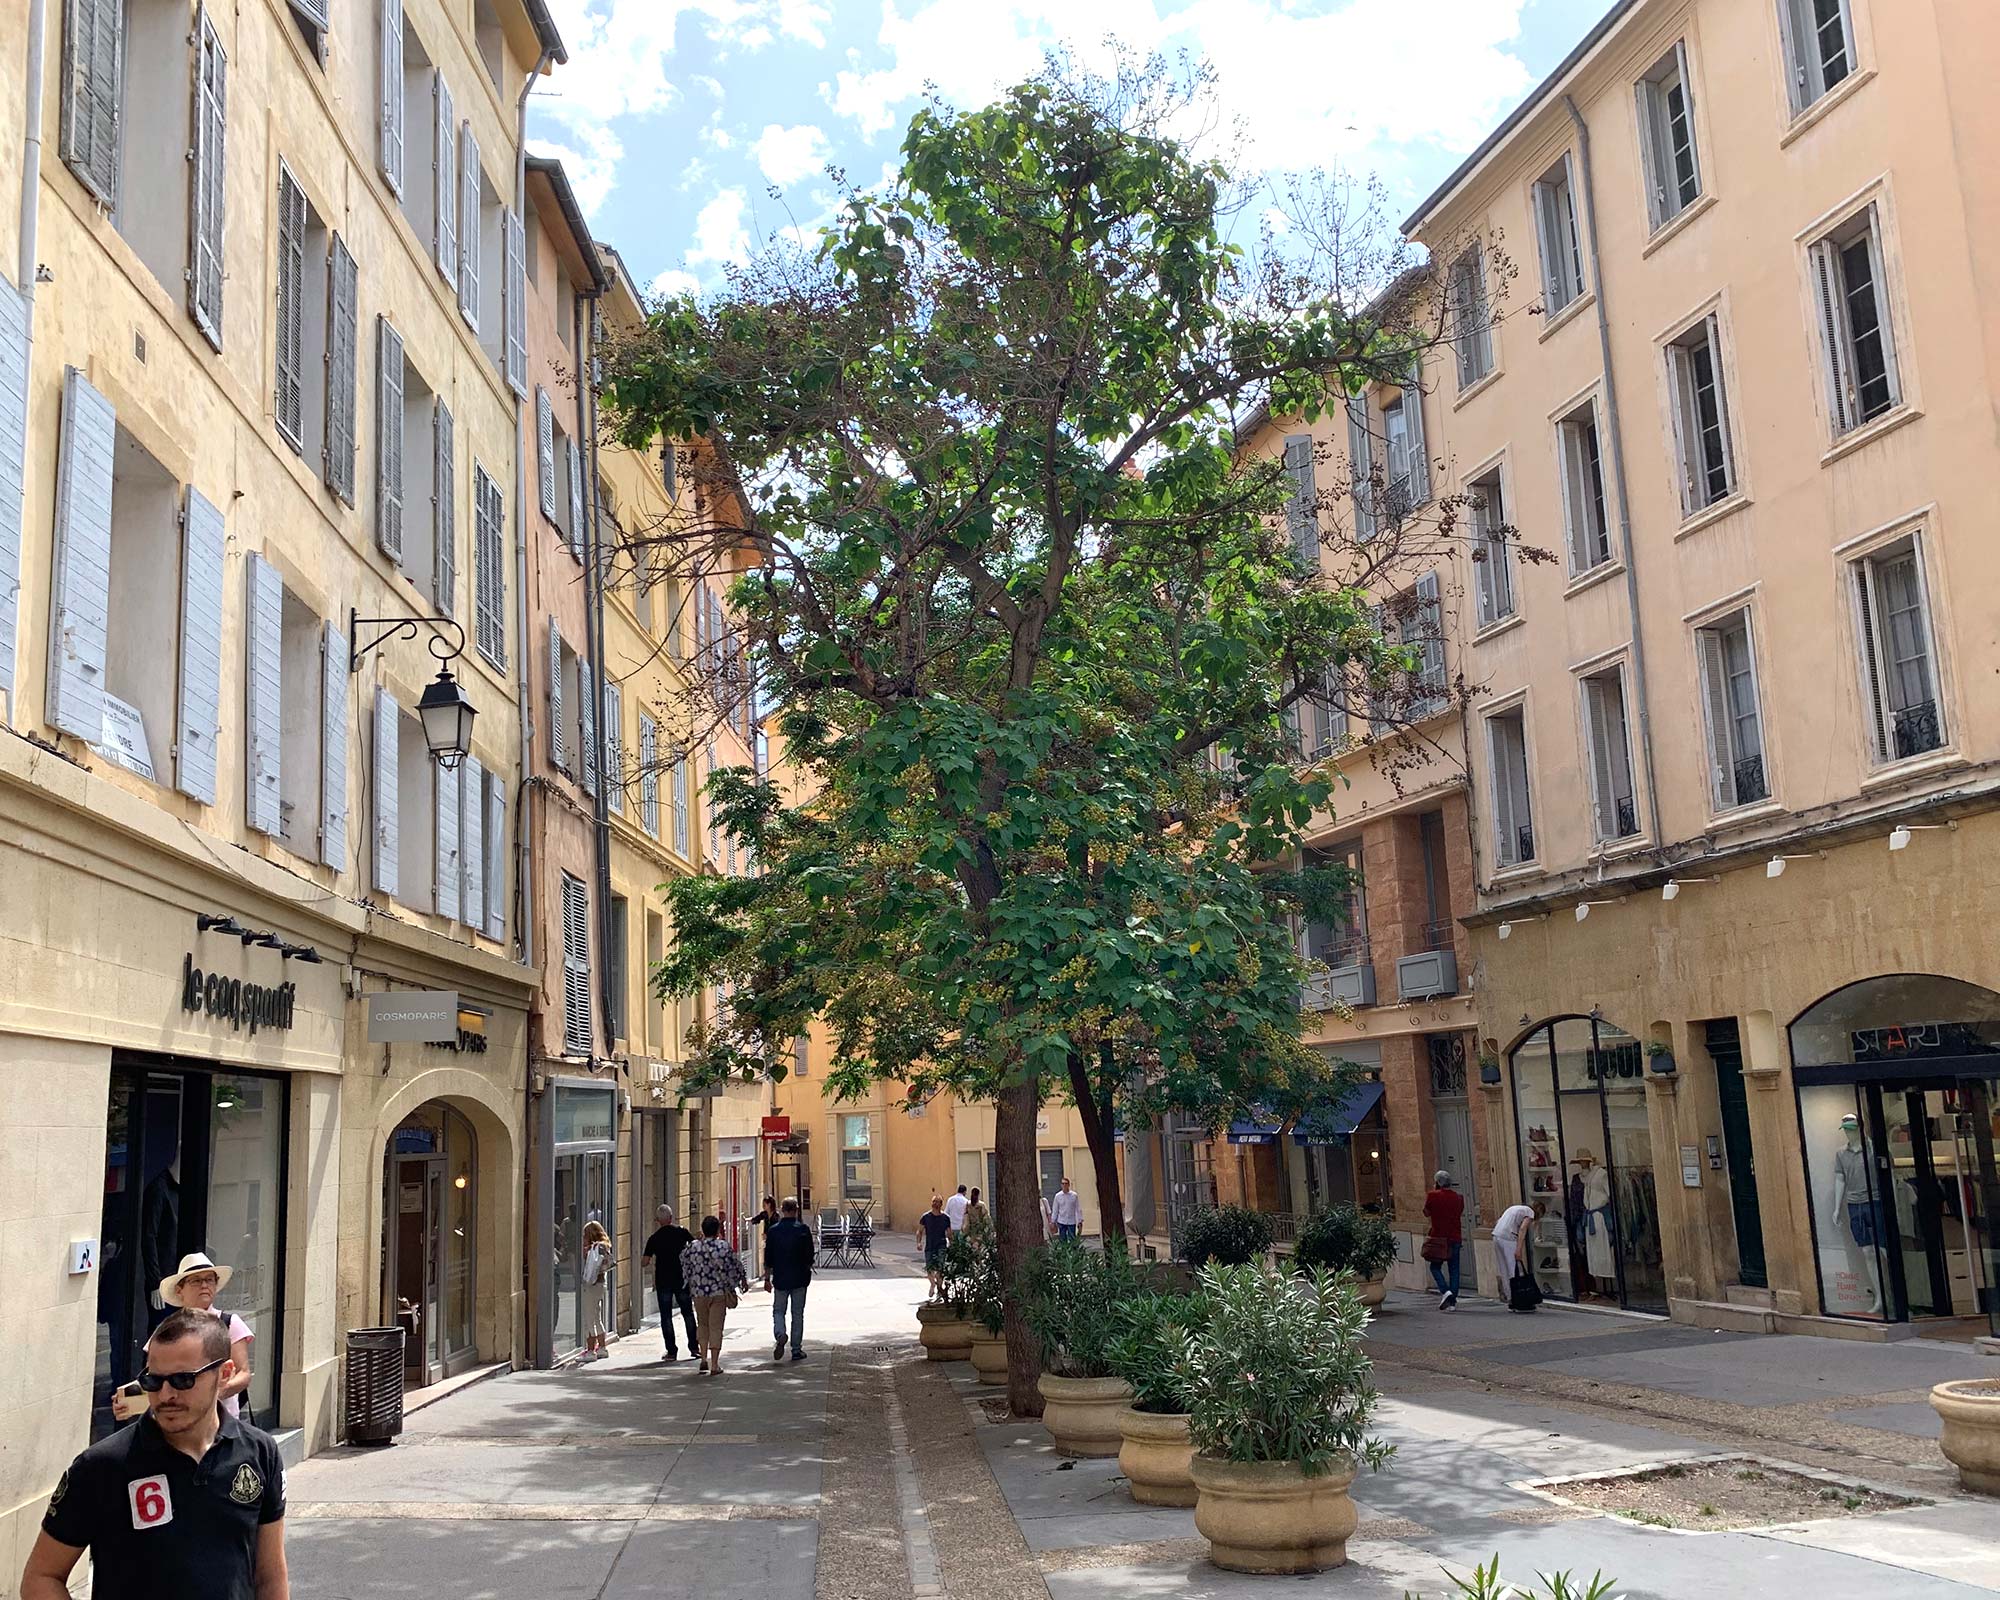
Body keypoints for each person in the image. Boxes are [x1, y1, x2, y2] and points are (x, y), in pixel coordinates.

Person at [24, 1308, 288, 1600]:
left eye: (183, 1380)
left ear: (224, 1374)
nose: (165, 1395)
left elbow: (270, 1577)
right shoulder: (102, 1466)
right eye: (153, 1381)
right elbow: (42, 1577)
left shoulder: (260, 1454)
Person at [114, 1252, 254, 1424]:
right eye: (196, 1280)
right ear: (179, 1290)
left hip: (220, 1423)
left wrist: (213, 1393)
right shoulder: (167, 1328)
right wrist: (128, 1401)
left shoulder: (230, 1323)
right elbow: (154, 1377)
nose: (204, 1285)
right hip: (175, 1425)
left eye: (209, 1280)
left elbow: (244, 1373)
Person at [684, 1215, 749, 1375]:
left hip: (699, 1292)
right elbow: (736, 1265)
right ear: (718, 1229)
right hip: (718, 1292)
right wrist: (741, 1282)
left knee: (703, 1325)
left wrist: (690, 1282)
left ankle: (703, 1359)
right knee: (716, 1327)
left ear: (702, 1229)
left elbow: (685, 1264)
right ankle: (715, 1364)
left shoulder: (693, 1246)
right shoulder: (723, 1247)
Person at [641, 1205, 698, 1363]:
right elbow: (694, 1247)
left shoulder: (654, 1238)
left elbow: (644, 1262)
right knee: (688, 1313)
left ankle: (671, 1351)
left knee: (666, 1316)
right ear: (671, 1218)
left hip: (663, 1281)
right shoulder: (681, 1232)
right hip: (681, 1279)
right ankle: (694, 1347)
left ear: (658, 1220)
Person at [764, 1198, 816, 1362]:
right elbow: (810, 1255)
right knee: (797, 1313)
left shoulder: (773, 1231)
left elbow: (768, 1257)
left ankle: (780, 1333)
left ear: (781, 1209)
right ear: (797, 1210)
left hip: (780, 1278)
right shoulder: (803, 1230)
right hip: (800, 1278)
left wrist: (767, 1278)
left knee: (779, 1311)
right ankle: (796, 1349)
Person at [1422, 1173, 1465, 1312]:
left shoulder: (1433, 1196)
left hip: (1439, 1238)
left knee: (1435, 1267)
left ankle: (1445, 1291)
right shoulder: (1459, 1198)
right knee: (1454, 1269)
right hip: (1455, 1237)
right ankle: (1452, 1302)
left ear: (1438, 1182)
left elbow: (1426, 1212)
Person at [1493, 1202, 1540, 1312]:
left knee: (1504, 1269)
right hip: (1509, 1237)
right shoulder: (1530, 1212)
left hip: (1497, 1235)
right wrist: (1519, 1249)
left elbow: (1499, 1221)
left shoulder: (1515, 1208)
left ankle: (1510, 1299)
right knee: (1514, 1269)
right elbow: (1523, 1229)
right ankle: (1519, 1300)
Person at [578, 1220, 612, 1362]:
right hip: (601, 1285)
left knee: (589, 1318)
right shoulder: (604, 1247)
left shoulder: (593, 1249)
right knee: (597, 1317)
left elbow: (589, 1265)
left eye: (584, 1235)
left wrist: (585, 1250)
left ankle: (591, 1350)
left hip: (591, 1286)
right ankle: (602, 1348)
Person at [917, 1195, 952, 1298]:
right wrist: (918, 1242)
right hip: (930, 1245)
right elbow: (919, 1231)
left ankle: (939, 1289)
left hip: (941, 1245)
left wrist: (952, 1244)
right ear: (931, 1203)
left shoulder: (946, 1218)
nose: (935, 1204)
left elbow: (949, 1233)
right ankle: (933, 1284)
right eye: (934, 1201)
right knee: (929, 1268)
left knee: (940, 1269)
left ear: (941, 1204)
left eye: (938, 1202)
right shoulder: (925, 1217)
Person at [753, 1195, 780, 1287]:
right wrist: (751, 1221)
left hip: (775, 1242)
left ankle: (776, 1279)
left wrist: (768, 1235)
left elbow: (777, 1230)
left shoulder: (776, 1216)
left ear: (769, 1204)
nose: (763, 1206)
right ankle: (767, 1279)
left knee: (776, 1261)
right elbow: (757, 1219)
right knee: (767, 1261)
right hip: (767, 1242)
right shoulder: (764, 1214)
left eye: (764, 1204)